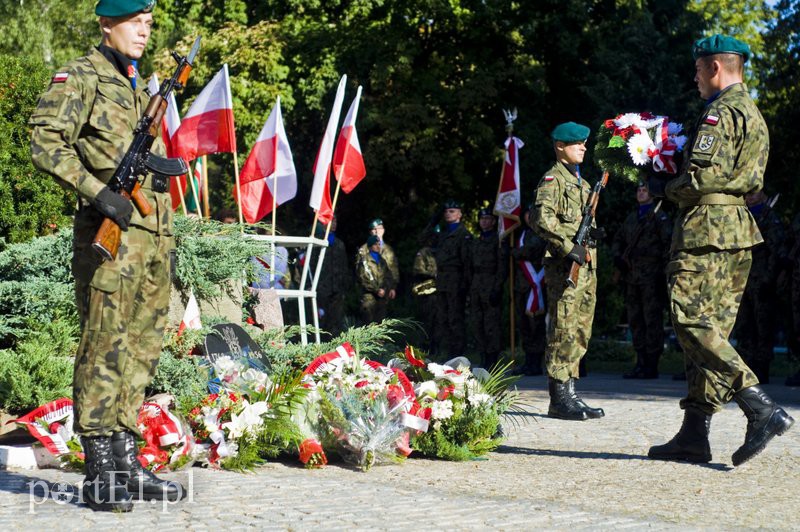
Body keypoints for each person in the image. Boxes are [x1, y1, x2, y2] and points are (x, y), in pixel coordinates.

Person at [29, 0, 185, 511]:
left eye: (147, 23)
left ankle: (125, 456)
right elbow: (46, 142)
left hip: (152, 237)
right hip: (110, 232)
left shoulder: (140, 86)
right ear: (106, 23)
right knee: (104, 345)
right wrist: (98, 193)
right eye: (133, 22)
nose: (143, 31)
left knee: (142, 346)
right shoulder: (80, 76)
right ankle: (98, 467)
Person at [648, 35, 794, 466]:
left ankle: (759, 405)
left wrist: (665, 186)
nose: (694, 79)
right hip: (736, 231)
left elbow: (702, 180)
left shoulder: (720, 112)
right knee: (710, 331)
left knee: (690, 319)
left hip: (706, 229)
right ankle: (695, 433)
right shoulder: (752, 113)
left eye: (697, 70)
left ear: (715, 68)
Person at [531, 122, 604, 421]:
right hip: (566, 267)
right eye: (577, 144)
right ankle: (559, 397)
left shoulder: (583, 184)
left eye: (584, 144)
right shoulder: (553, 180)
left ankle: (571, 392)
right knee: (562, 327)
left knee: (580, 329)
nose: (583, 148)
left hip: (587, 267)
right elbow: (540, 218)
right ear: (560, 146)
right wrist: (566, 246)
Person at [612, 182, 672, 379]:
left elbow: (667, 245)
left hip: (651, 278)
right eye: (638, 190)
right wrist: (618, 257)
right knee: (635, 320)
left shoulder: (660, 217)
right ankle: (640, 361)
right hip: (632, 277)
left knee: (652, 320)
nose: (640, 192)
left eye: (645, 189)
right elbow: (618, 239)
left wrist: (663, 270)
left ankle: (651, 364)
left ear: (652, 194)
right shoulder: (632, 217)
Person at [733, 190, 786, 383]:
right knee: (744, 325)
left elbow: (775, 251)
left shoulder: (769, 217)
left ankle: (762, 367)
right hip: (742, 278)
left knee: (763, 325)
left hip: (761, 279)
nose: (750, 197)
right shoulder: (741, 216)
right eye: (747, 194)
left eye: (754, 193)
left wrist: (768, 278)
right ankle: (746, 366)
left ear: (763, 194)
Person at [423, 200, 473, 356]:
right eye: (446, 212)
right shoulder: (443, 234)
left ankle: (458, 355)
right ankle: (446, 353)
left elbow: (466, 262)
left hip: (456, 281)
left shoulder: (464, 235)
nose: (448, 214)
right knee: (443, 319)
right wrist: (433, 221)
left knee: (455, 319)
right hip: (443, 280)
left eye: (452, 211)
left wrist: (466, 284)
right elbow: (424, 239)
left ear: (459, 214)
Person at [469, 208, 509, 368]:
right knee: (477, 322)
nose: (484, 221)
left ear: (493, 221)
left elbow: (502, 266)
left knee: (491, 324)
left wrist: (497, 287)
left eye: (488, 218)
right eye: (482, 218)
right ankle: (483, 355)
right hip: (477, 285)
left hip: (491, 282)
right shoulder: (476, 241)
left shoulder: (498, 240)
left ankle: (493, 358)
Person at [511, 206, 548, 376]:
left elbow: (530, 250)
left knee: (536, 325)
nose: (529, 217)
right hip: (522, 286)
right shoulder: (522, 234)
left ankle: (536, 362)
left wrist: (513, 252)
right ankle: (528, 360)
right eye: (527, 214)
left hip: (537, 286)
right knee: (524, 325)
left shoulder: (541, 232)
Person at [312, 216, 352, 337]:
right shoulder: (318, 243)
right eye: (331, 221)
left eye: (335, 221)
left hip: (337, 288)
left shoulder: (339, 243)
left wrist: (345, 286)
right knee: (321, 320)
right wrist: (311, 284)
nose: (334, 223)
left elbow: (344, 266)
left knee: (336, 320)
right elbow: (311, 264)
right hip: (322, 287)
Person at [356, 235, 395, 324]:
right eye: (375, 244)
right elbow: (363, 278)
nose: (378, 246)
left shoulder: (382, 261)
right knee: (368, 324)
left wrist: (386, 289)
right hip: (369, 297)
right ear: (370, 247)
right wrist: (376, 290)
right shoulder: (364, 261)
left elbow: (388, 276)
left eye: (379, 244)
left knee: (380, 325)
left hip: (382, 297)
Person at [412, 233, 440, 355]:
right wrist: (433, 275)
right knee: (426, 321)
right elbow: (418, 270)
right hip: (426, 292)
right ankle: (424, 348)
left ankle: (436, 348)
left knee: (438, 322)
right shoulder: (424, 253)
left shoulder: (442, 251)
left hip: (440, 292)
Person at [368, 218, 400, 300]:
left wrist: (393, 287)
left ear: (383, 230)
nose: (377, 231)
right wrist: (375, 289)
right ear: (370, 232)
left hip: (387, 291)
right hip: (370, 293)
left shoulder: (389, 250)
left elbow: (394, 269)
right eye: (374, 229)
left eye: (379, 228)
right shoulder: (364, 249)